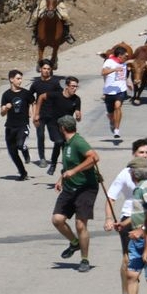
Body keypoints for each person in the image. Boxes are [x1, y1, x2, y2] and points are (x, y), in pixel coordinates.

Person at [105, 139, 147, 294]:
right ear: (134, 154)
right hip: (131, 219)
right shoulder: (126, 174)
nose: (145, 155)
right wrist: (115, 220)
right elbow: (111, 197)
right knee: (129, 263)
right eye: (141, 152)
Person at [109, 156, 147, 294]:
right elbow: (139, 213)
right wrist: (124, 223)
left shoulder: (146, 189)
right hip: (137, 240)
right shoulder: (139, 189)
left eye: (130, 171)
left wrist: (142, 231)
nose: (129, 173)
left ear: (134, 173)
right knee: (131, 274)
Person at [51, 115, 100, 274]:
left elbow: (94, 157)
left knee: (80, 224)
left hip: (86, 188)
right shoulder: (67, 144)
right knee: (57, 219)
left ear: (62, 128)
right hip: (70, 187)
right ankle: (74, 243)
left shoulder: (78, 142)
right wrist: (61, 178)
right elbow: (68, 165)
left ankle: (84, 259)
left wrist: (74, 171)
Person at [34, 76, 82, 175]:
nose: (75, 88)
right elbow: (41, 97)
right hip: (53, 124)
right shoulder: (56, 95)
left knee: (66, 147)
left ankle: (66, 169)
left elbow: (78, 113)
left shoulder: (76, 99)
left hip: (67, 127)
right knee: (59, 141)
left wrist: (78, 115)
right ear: (67, 86)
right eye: (72, 86)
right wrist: (37, 114)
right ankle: (53, 165)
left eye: (76, 86)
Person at [0, 69, 35, 181]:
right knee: (13, 153)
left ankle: (25, 151)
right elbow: (2, 113)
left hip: (23, 125)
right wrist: (6, 108)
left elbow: (33, 102)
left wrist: (32, 113)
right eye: (18, 78)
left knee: (20, 144)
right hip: (10, 126)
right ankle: (23, 173)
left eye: (21, 79)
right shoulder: (6, 95)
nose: (20, 81)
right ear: (11, 79)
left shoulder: (26, 93)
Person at [29, 60, 62, 168]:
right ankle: (42, 158)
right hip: (40, 115)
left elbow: (62, 96)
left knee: (56, 139)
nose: (46, 71)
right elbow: (29, 98)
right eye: (44, 69)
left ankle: (55, 158)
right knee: (40, 136)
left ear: (51, 70)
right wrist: (33, 114)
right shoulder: (36, 84)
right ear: (40, 69)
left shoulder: (55, 83)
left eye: (48, 69)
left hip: (53, 115)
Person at [102, 46, 129, 139]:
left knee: (117, 107)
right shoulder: (109, 61)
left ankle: (117, 130)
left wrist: (128, 83)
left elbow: (123, 76)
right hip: (109, 92)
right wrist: (114, 69)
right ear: (119, 56)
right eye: (125, 55)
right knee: (110, 114)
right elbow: (103, 72)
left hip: (120, 91)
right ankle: (112, 121)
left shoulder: (124, 63)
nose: (127, 56)